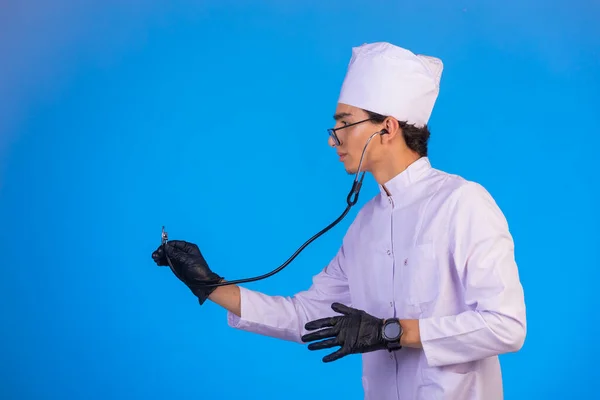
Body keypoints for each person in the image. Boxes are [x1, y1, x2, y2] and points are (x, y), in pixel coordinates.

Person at [151, 42, 527, 399]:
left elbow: (506, 326)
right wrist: (210, 284)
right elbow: (307, 316)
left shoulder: (462, 203)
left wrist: (391, 331)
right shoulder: (365, 225)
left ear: (388, 127)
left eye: (344, 123)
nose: (334, 140)